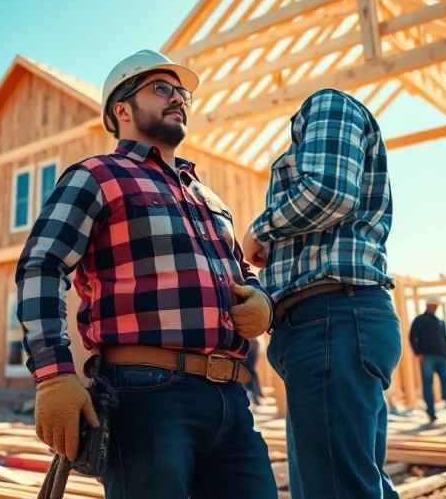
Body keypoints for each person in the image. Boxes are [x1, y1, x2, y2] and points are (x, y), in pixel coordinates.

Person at [15, 49, 278, 499]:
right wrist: (55, 375)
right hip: (148, 395)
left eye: (182, 94)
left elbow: (240, 274)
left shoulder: (209, 199)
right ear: (122, 109)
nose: (178, 99)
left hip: (233, 399)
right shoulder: (97, 175)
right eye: (162, 89)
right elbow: (42, 264)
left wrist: (260, 299)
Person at [242, 88, 401, 499]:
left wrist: (260, 230)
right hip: (337, 321)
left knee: (332, 489)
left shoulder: (326, 104)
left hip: (331, 318)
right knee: (356, 483)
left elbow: (330, 190)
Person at [409, 293, 446, 423]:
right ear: (428, 304)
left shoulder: (440, 322)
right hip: (427, 357)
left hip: (442, 358)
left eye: (436, 305)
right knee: (428, 385)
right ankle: (431, 414)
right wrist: (418, 353)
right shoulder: (419, 320)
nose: (435, 308)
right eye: (433, 305)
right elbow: (412, 337)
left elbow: (445, 340)